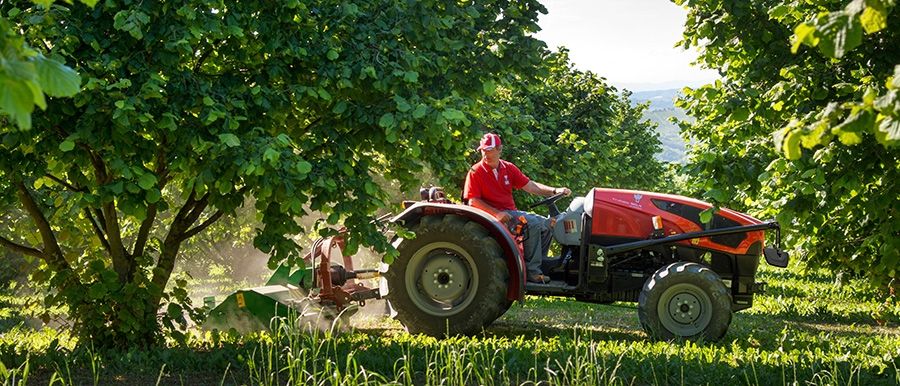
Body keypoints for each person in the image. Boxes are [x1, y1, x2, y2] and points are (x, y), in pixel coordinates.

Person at [463, 133, 571, 284]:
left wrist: (554, 190)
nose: (485, 153)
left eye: (490, 149)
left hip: (510, 213)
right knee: (531, 224)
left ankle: (539, 266)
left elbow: (531, 186)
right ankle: (532, 272)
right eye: (483, 150)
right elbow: (473, 201)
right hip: (493, 217)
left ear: (499, 149)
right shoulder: (476, 172)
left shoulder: (508, 168)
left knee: (549, 225)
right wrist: (496, 213)